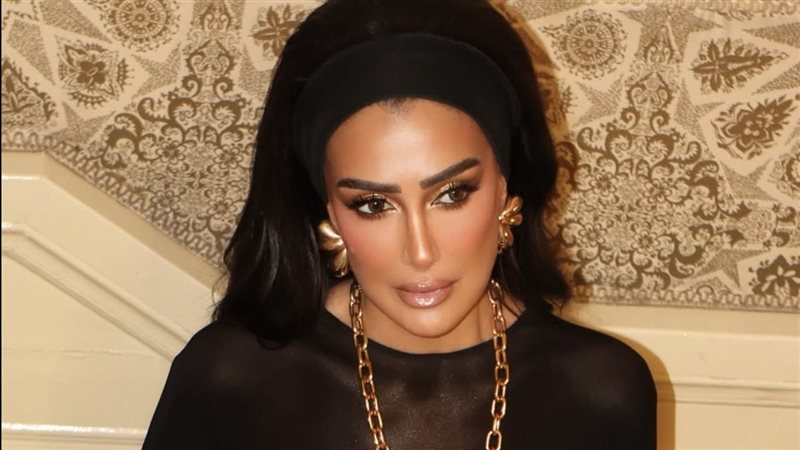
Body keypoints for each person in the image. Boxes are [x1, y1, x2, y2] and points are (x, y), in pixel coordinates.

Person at [141, 0, 657, 448]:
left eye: (452, 194)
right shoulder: (232, 379)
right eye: (372, 204)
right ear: (329, 212)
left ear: (504, 185)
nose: (421, 251)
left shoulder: (601, 390)